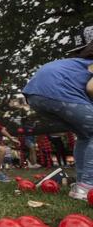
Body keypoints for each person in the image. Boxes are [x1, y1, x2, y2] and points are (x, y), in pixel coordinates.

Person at [22, 26, 93, 201]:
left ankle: (81, 184)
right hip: (59, 93)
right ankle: (88, 186)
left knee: (85, 135)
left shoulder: (76, 64)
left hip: (34, 95)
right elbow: (91, 88)